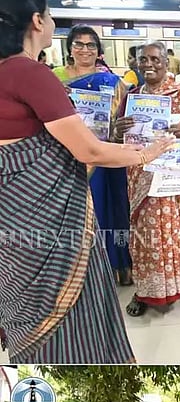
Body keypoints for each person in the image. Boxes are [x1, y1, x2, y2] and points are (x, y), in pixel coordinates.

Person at [0, 0, 174, 362]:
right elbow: (88, 149)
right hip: (46, 219)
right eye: (49, 15)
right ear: (35, 22)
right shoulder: (28, 74)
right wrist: (147, 153)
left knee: (24, 301)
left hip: (12, 215)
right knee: (70, 307)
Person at [113, 40, 180, 317]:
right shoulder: (132, 96)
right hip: (140, 178)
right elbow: (117, 140)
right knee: (146, 236)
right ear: (137, 63)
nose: (149, 64)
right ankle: (144, 291)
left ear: (167, 63)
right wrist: (118, 131)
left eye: (155, 59)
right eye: (144, 59)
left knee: (176, 232)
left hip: (173, 182)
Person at [53, 24, 134, 286]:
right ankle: (89, 270)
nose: (84, 49)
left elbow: (125, 114)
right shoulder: (55, 78)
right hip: (74, 156)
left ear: (99, 51)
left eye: (90, 45)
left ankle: (122, 263)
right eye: (78, 44)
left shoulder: (112, 81)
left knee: (117, 206)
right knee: (87, 210)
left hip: (110, 152)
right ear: (70, 48)